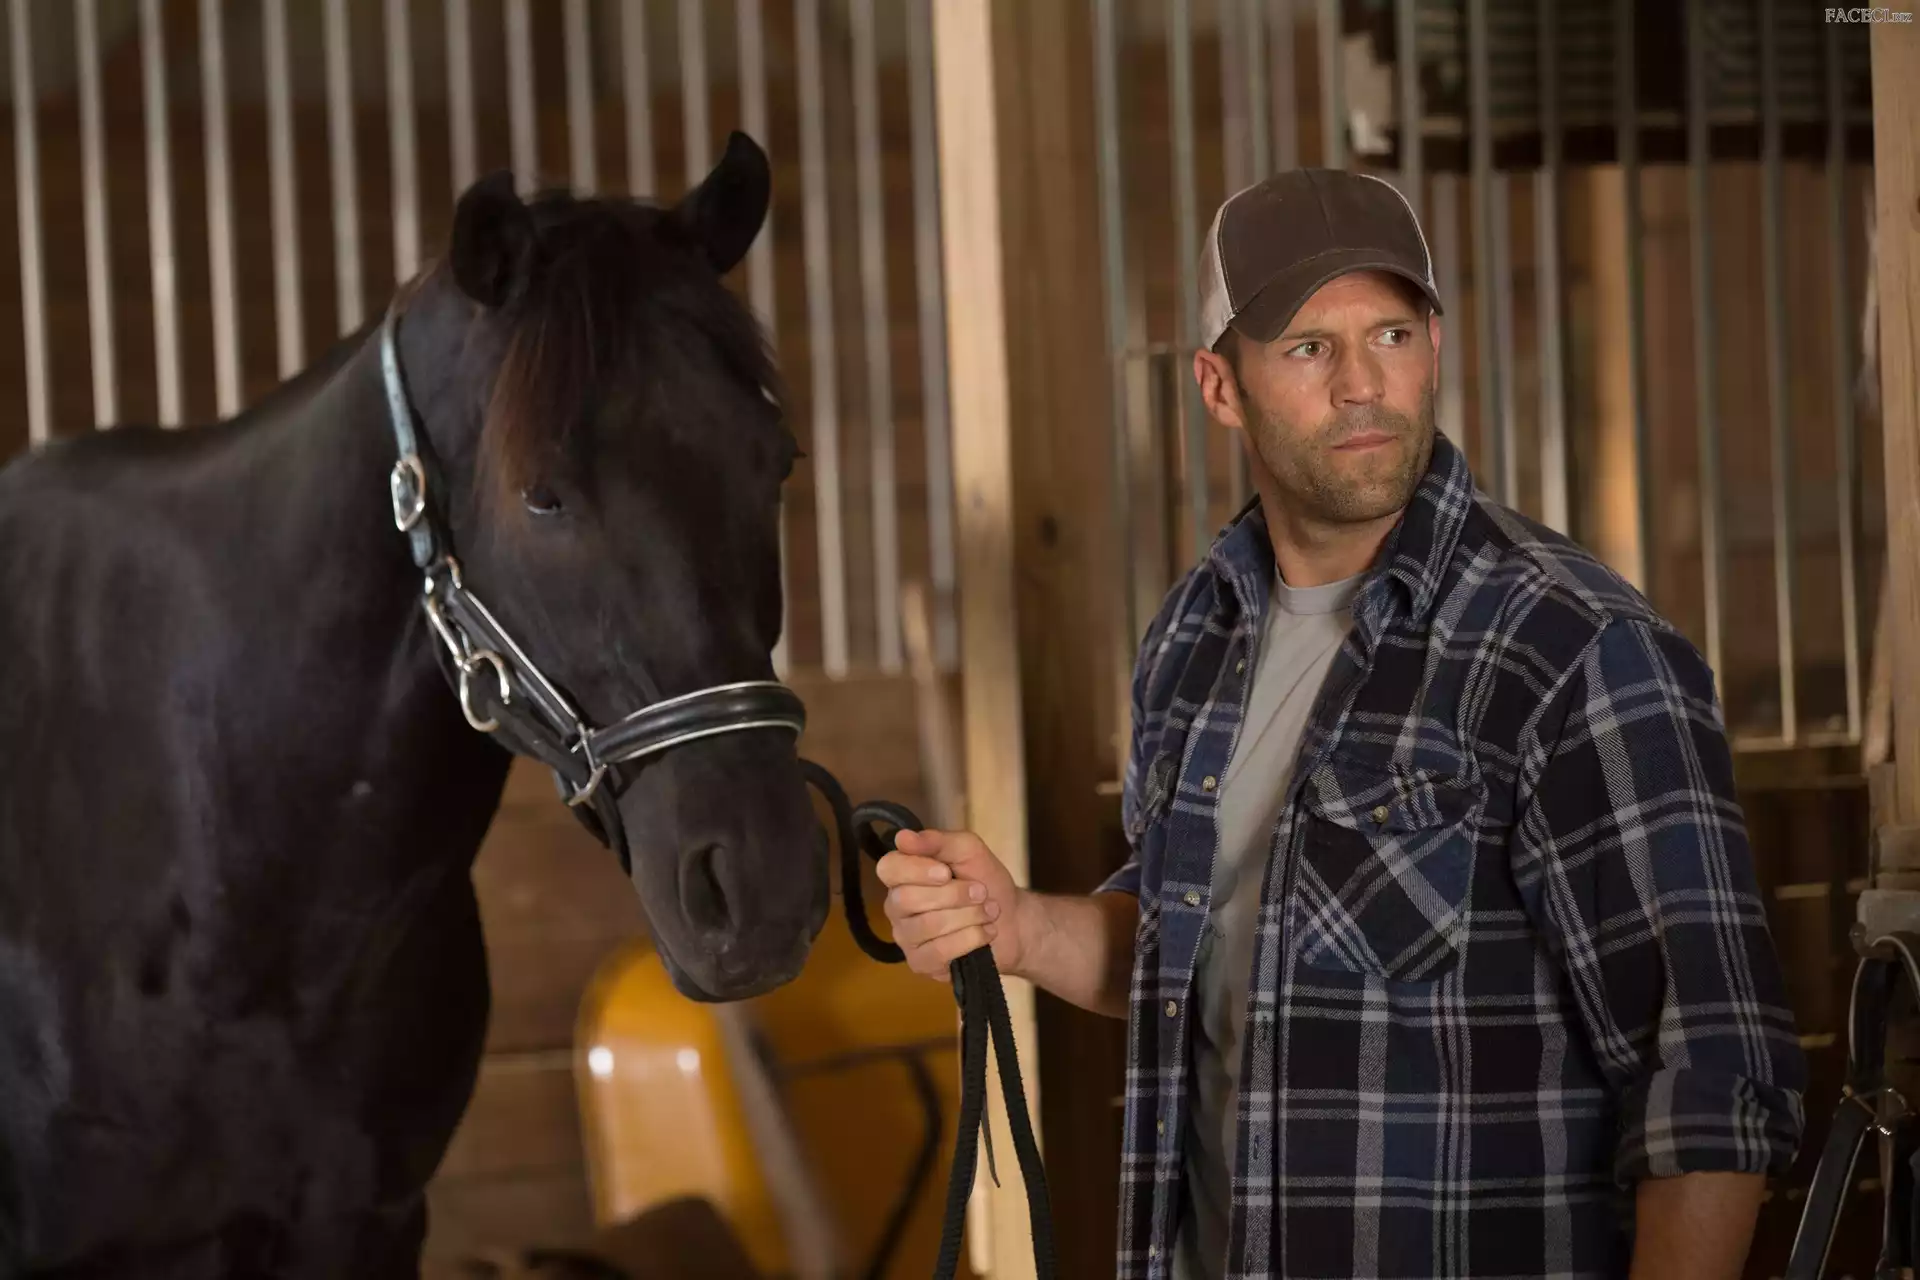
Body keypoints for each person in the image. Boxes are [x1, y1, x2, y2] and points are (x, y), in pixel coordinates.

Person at [876, 167, 1806, 1280]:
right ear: (1221, 387)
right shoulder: (1194, 635)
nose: (1363, 383)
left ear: (1436, 345)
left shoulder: (1569, 647)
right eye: (1310, 348)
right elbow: (1202, 955)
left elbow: (1710, 1077)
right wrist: (1021, 927)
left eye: (1392, 335)